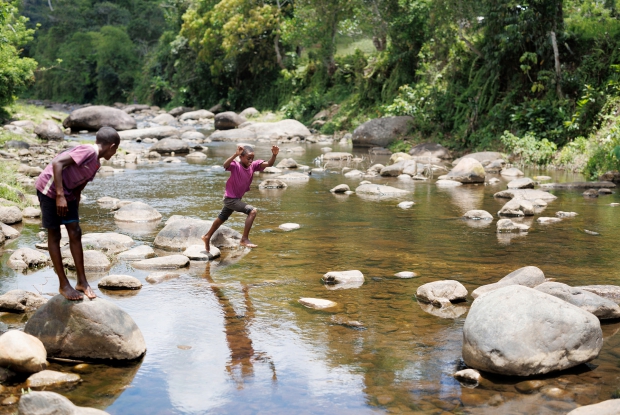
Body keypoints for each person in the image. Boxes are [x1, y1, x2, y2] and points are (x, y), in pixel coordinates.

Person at [35, 127, 120, 301]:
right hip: (50, 190)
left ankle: (82, 282)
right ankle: (63, 284)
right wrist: (59, 196)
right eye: (116, 149)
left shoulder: (96, 163)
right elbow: (57, 163)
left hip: (67, 194)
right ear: (111, 146)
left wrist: (75, 202)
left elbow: (80, 184)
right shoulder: (88, 150)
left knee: (75, 232)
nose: (115, 152)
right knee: (55, 234)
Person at [202, 144, 279, 252]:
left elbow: (269, 164)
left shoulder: (253, 165)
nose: (251, 160)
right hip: (230, 199)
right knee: (252, 211)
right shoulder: (235, 166)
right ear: (241, 157)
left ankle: (207, 236)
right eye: (248, 158)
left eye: (252, 158)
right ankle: (244, 239)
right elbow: (225, 165)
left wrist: (274, 155)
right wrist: (235, 154)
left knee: (222, 218)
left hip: (235, 199)